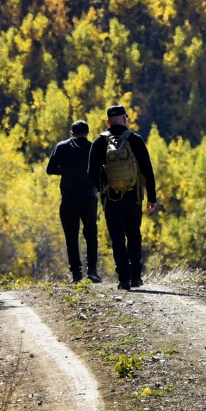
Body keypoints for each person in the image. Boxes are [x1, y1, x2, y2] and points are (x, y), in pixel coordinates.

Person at [87, 103, 157, 290]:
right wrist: (152, 197)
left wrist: (103, 189)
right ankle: (136, 276)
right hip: (133, 196)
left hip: (111, 198)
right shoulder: (135, 139)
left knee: (117, 236)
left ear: (108, 121)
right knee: (134, 234)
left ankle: (123, 279)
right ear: (125, 119)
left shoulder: (100, 142)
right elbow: (147, 170)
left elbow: (91, 172)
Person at [47, 119, 101, 283]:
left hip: (69, 198)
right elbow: (101, 171)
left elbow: (50, 169)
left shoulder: (61, 147)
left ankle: (76, 273)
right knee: (91, 234)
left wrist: (65, 172)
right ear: (87, 132)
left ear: (71, 133)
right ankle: (91, 269)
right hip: (88, 197)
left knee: (71, 235)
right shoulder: (93, 147)